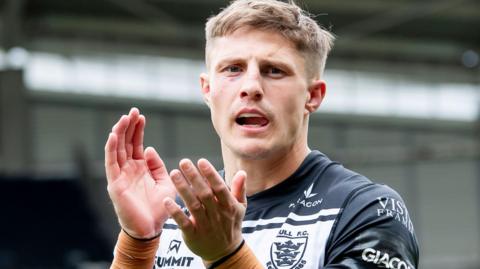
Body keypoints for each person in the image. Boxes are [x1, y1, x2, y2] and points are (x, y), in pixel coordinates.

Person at [104, 0, 419, 268]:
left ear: (313, 96)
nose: (251, 87)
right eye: (233, 69)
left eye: (274, 70)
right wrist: (138, 243)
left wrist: (227, 256)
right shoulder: (173, 217)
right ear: (207, 89)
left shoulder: (366, 210)